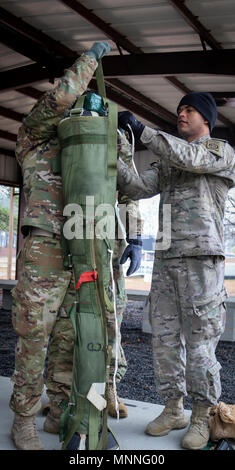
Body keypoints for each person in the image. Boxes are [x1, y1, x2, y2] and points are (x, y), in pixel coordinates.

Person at [10, 40, 142, 450]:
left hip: (88, 247)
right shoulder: (36, 136)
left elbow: (127, 189)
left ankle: (62, 411)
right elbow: (61, 96)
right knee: (34, 334)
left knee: (76, 335)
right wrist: (92, 59)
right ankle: (24, 418)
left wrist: (135, 235)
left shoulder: (95, 146)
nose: (81, 109)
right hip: (46, 248)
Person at [116, 92, 235, 450]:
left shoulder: (219, 151)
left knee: (200, 346)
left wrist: (144, 131)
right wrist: (118, 150)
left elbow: (189, 157)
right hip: (167, 262)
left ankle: (201, 415)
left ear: (207, 118)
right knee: (165, 341)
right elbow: (136, 186)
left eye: (189, 110)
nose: (181, 114)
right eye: (179, 109)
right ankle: (173, 409)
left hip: (202, 261)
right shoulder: (169, 160)